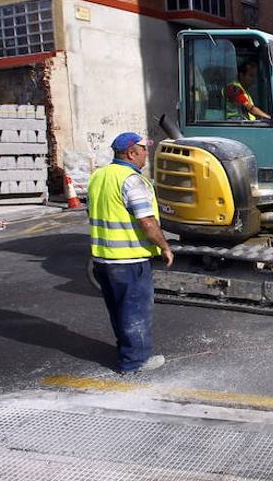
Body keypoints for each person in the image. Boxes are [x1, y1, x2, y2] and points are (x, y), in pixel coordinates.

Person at [88, 132, 174, 374]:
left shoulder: (99, 176)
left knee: (118, 310)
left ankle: (126, 352)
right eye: (143, 149)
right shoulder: (131, 180)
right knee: (135, 311)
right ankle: (136, 362)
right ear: (131, 153)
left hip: (103, 258)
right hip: (128, 259)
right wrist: (164, 246)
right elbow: (146, 221)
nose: (147, 153)